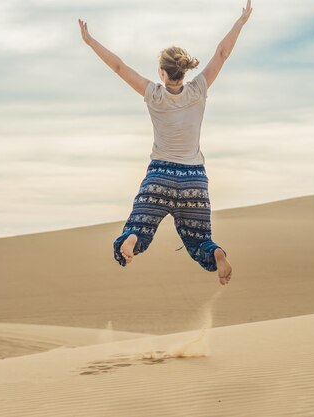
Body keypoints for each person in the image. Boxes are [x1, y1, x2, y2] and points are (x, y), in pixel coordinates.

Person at [78, 1, 252, 285]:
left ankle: (133, 238)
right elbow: (222, 53)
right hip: (195, 180)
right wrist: (240, 23)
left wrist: (90, 41)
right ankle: (216, 252)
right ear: (184, 71)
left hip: (160, 177)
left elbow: (119, 67)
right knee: (199, 241)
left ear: (162, 72)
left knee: (139, 226)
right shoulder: (198, 89)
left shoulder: (154, 94)